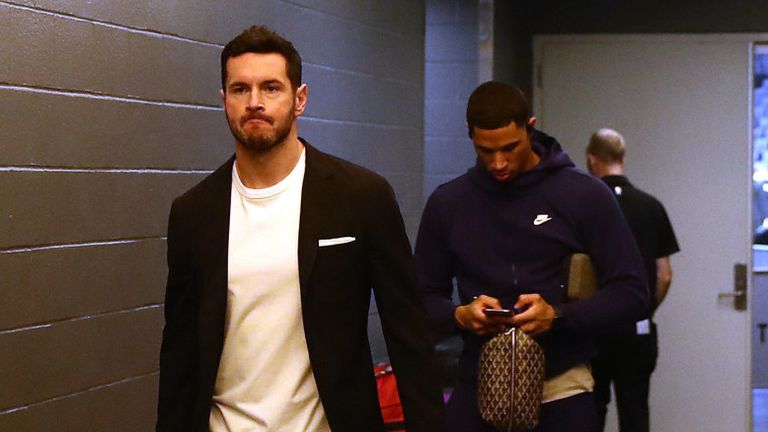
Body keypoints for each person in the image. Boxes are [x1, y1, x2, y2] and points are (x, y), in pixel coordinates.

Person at [156, 25, 446, 432]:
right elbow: (180, 351)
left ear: (300, 99)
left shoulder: (361, 196)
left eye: (271, 88)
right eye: (240, 90)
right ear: (224, 101)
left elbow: (408, 333)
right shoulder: (193, 212)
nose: (254, 102)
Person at [415, 81, 649, 432]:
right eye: (485, 150)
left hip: (561, 387)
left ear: (531, 127)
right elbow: (419, 300)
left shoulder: (584, 195)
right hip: (478, 385)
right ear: (470, 136)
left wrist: (558, 316)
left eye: (510, 147)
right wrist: (461, 316)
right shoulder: (449, 203)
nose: (499, 163)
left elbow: (632, 294)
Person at [586, 128, 680, 432]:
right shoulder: (651, 207)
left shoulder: (583, 209)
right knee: (635, 413)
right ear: (622, 158)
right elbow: (664, 275)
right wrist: (643, 308)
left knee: (591, 412)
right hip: (636, 331)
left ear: (591, 160)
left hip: (594, 330)